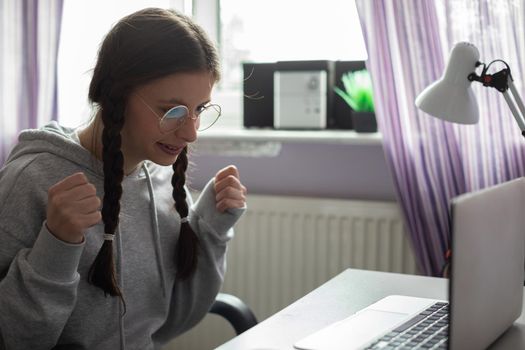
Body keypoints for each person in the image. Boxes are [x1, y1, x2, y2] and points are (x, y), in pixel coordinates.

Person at [0, 7, 247, 349]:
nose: (191, 132)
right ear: (117, 95)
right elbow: (12, 338)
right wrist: (56, 245)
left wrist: (210, 232)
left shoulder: (163, 182)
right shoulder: (31, 181)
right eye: (171, 110)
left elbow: (172, 323)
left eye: (200, 109)